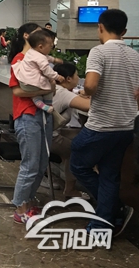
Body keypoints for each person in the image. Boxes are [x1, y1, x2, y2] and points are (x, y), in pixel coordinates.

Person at [70, 8, 139, 236]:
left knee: (78, 164)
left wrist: (87, 91)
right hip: (126, 126)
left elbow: (90, 85)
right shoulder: (135, 56)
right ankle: (103, 222)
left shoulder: (98, 52)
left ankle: (112, 207)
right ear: (124, 32)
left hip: (101, 125)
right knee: (110, 175)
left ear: (100, 27)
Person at [8, 22, 54, 224]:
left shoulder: (41, 58)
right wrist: (46, 89)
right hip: (27, 115)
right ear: (27, 36)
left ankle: (28, 199)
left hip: (43, 115)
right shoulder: (21, 59)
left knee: (42, 162)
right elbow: (18, 91)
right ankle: (20, 207)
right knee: (31, 164)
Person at [50, 63, 91, 199]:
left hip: (43, 133)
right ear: (68, 79)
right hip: (50, 138)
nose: (78, 78)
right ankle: (70, 189)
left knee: (79, 135)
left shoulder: (55, 88)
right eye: (76, 75)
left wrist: (79, 94)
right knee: (77, 150)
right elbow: (89, 106)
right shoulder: (64, 94)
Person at [12, 30, 65, 113]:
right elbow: (47, 70)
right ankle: (48, 104)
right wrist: (57, 77)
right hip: (33, 84)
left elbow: (45, 57)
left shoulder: (31, 52)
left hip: (25, 83)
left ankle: (41, 104)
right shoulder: (40, 58)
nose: (51, 48)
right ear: (40, 47)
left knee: (35, 94)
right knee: (49, 84)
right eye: (50, 46)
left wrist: (54, 60)